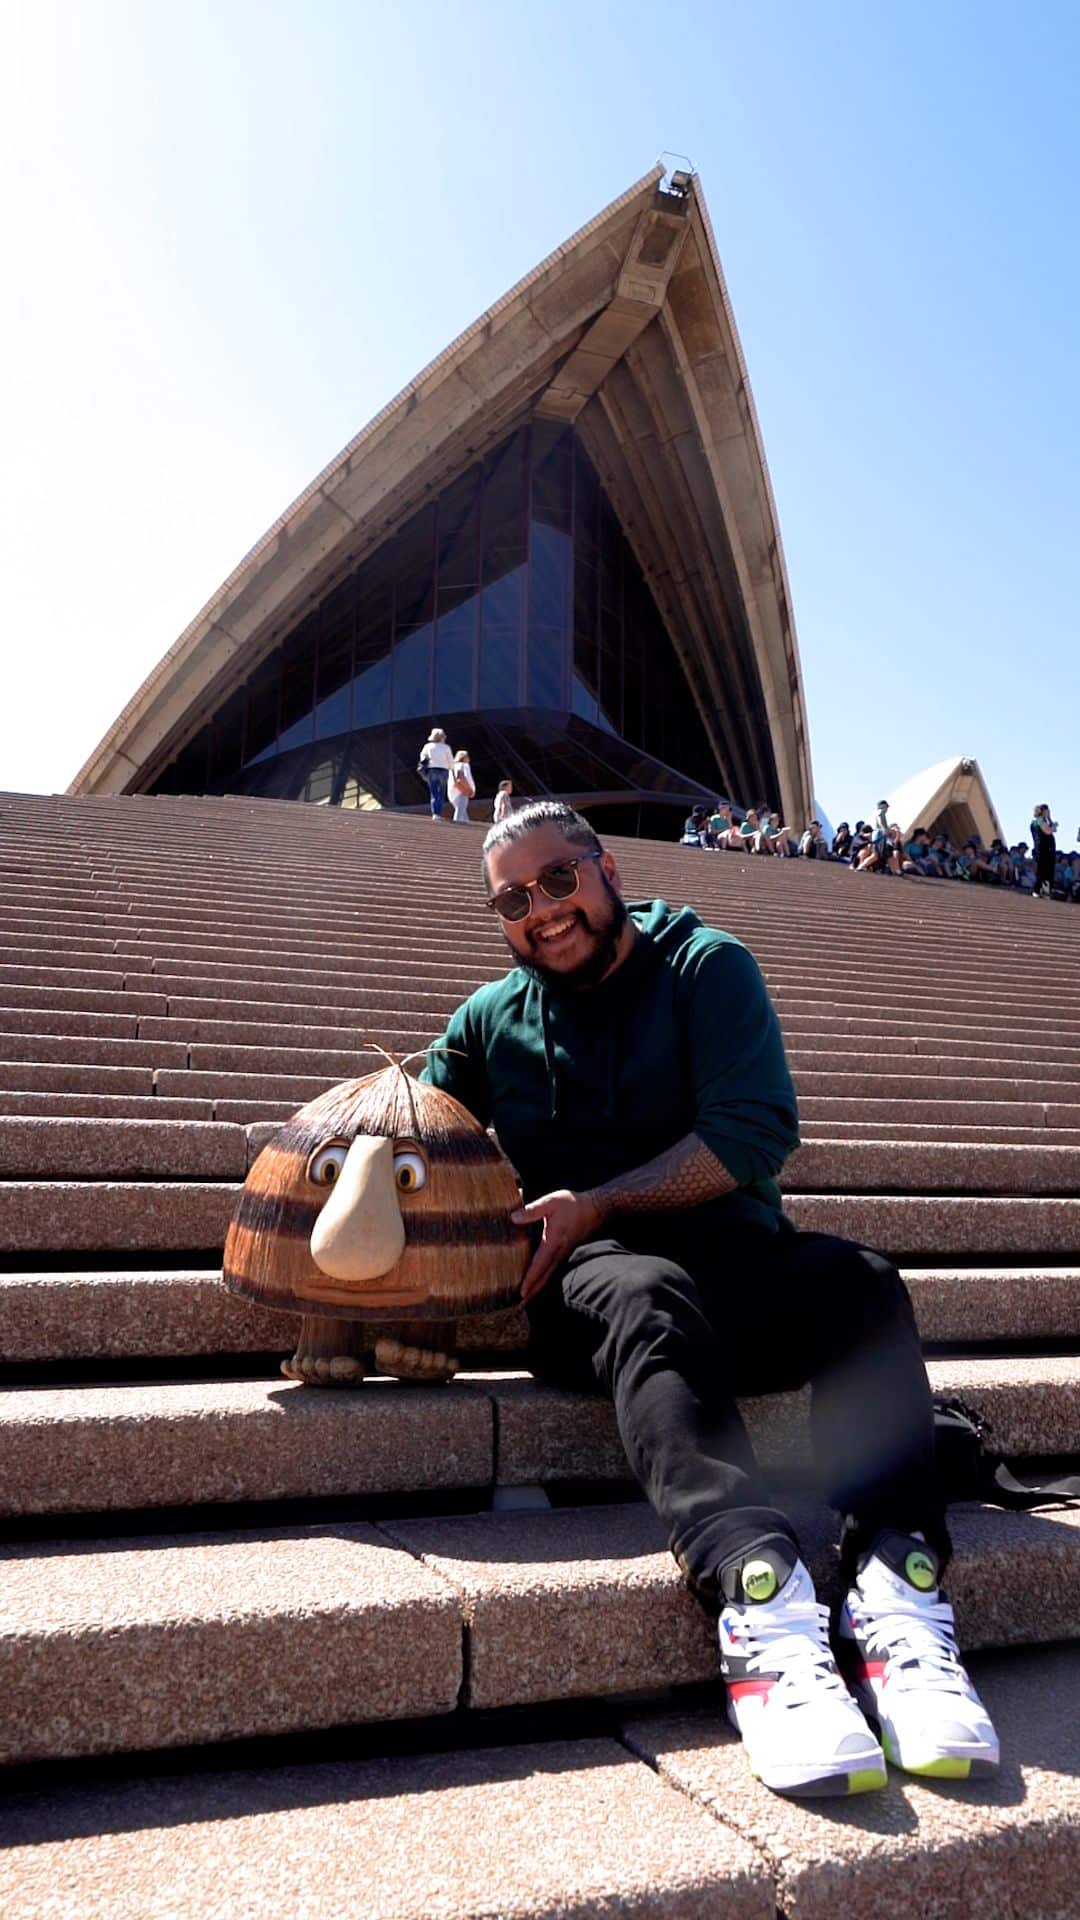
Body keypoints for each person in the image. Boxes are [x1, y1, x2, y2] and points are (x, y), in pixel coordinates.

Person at [421, 801, 998, 1799]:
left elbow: (749, 1138)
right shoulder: (488, 1020)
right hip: (591, 1291)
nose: (541, 912)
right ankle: (760, 1604)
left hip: (726, 1267)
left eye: (558, 880)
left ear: (604, 869)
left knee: (860, 1285)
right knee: (646, 1291)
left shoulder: (704, 965)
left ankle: (894, 1593)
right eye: (512, 900)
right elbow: (418, 1132)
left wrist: (598, 1199)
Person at [418, 727, 454, 819]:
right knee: (441, 792)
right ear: (441, 737)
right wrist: (451, 768)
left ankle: (435, 813)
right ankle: (438, 812)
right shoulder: (446, 747)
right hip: (443, 770)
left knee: (434, 793)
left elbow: (422, 757)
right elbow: (450, 760)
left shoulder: (428, 746)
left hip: (432, 770)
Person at [1030, 804, 1057, 900]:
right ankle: (1037, 890)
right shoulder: (1039, 821)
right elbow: (1048, 831)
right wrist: (1053, 826)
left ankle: (1046, 891)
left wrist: (1050, 820)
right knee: (1042, 871)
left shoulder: (1045, 821)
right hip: (1042, 850)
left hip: (1048, 850)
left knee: (1048, 872)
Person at [448, 748, 476, 824]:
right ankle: (456, 828)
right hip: (462, 791)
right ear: (464, 757)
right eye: (467, 756)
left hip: (453, 792)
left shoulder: (453, 766)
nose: (469, 759)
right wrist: (469, 789)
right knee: (460, 813)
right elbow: (462, 777)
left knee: (463, 815)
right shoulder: (464, 765)